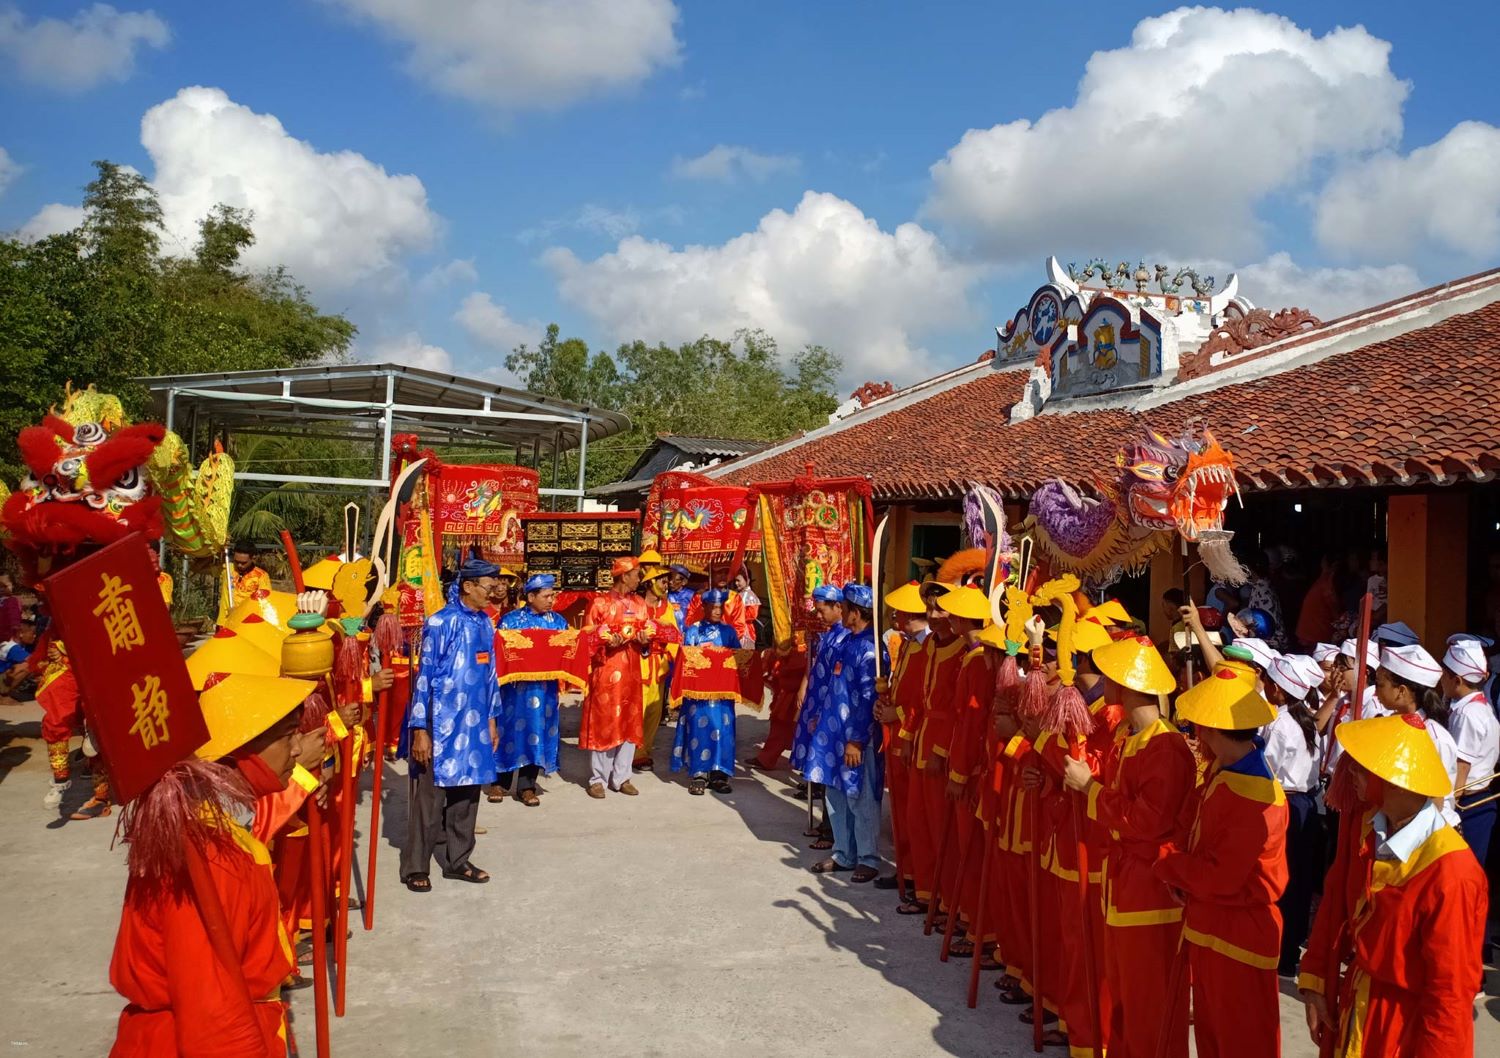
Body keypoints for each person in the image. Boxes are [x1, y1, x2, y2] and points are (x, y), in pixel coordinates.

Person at [109, 673, 315, 1057]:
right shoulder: (209, 856)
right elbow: (211, 1007)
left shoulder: (218, 827)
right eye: (289, 735)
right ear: (241, 750)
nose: (299, 749)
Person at [1298, 714, 1488, 1057]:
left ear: (1398, 782)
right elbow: (1335, 902)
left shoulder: (1454, 874)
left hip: (1404, 1032)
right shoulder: (1365, 827)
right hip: (1356, 1009)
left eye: (1362, 767)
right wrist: (1315, 981)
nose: (1350, 772)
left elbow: (1450, 997)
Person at [1058, 630, 1191, 1058]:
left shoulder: (1166, 748)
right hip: (1123, 883)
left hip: (1150, 891)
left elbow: (1146, 823)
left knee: (1148, 1007)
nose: (1101, 677)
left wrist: (1090, 791)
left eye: (1112, 672)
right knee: (1122, 1000)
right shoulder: (1127, 738)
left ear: (1131, 685)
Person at [1155, 655, 1287, 1058]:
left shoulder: (1253, 794)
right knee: (1214, 1036)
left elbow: (1221, 876)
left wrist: (1168, 864)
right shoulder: (1227, 770)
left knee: (1240, 1040)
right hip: (1215, 924)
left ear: (1212, 728)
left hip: (1238, 931)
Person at [401, 557, 501, 891]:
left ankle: (458, 860)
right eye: (488, 587)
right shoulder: (440, 623)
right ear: (468, 586)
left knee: (468, 795)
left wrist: (491, 720)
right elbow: (424, 676)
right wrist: (420, 729)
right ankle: (416, 866)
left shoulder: (486, 624)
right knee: (429, 800)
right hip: (441, 725)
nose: (493, 593)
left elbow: (490, 676)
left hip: (474, 727)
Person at [807, 584, 884, 882]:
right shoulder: (846, 642)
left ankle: (868, 857)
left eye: (846, 607)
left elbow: (870, 699)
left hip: (856, 739)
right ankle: (844, 853)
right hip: (834, 736)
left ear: (854, 611)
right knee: (836, 795)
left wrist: (856, 740)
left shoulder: (870, 649)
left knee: (860, 796)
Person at [1261, 654, 1325, 978]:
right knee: (1298, 880)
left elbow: (1266, 767)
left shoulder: (1281, 724)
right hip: (1307, 803)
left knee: (1281, 879)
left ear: (1278, 690)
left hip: (1285, 802)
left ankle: (1280, 950)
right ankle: (1290, 951)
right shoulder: (1308, 721)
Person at [580, 556, 663, 799]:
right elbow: (586, 639)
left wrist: (645, 640)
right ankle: (598, 779)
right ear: (624, 575)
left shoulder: (639, 604)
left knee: (629, 722)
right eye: (637, 574)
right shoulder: (600, 604)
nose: (639, 578)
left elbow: (649, 635)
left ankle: (622, 777)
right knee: (604, 722)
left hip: (632, 673)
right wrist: (604, 640)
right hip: (605, 671)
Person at [493, 574, 567, 807]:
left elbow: (568, 651)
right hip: (514, 691)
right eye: (546, 596)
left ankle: (526, 786)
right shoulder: (510, 621)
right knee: (508, 732)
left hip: (544, 691)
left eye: (552, 595)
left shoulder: (558, 622)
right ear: (531, 596)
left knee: (537, 732)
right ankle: (500, 780)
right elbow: (500, 653)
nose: (551, 600)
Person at [1375, 643, 1461, 827]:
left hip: (1429, 830)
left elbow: (1436, 798)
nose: (1375, 692)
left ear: (1401, 691)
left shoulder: (1434, 737)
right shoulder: (1390, 724)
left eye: (1380, 685)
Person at [789, 584, 849, 831]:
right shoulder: (829, 634)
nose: (818, 615)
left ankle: (830, 827)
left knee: (830, 769)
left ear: (838, 607)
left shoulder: (845, 637)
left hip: (831, 711)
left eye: (822, 610)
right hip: (817, 707)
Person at [672, 588, 741, 795]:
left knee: (723, 731)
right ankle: (699, 773)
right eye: (714, 607)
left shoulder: (729, 632)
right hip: (698, 695)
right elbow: (685, 660)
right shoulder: (693, 631)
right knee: (699, 730)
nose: (718, 611)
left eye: (721, 607)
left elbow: (738, 659)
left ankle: (720, 774)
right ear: (705, 607)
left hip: (721, 696)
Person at [1441, 635, 1499, 866]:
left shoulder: (1468, 715)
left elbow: (1460, 770)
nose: (1440, 680)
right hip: (1477, 800)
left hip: (1468, 804)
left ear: (1456, 680)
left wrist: (1448, 815)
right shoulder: (1476, 707)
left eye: (1444, 675)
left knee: (1463, 872)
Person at [633, 565, 679, 773]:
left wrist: (675, 655)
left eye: (666, 580)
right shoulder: (636, 604)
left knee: (654, 710)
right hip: (637, 662)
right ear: (650, 583)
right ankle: (630, 752)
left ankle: (643, 752)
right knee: (636, 709)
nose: (666, 584)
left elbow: (673, 633)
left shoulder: (666, 607)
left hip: (658, 663)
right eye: (662, 580)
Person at [217, 543, 272, 626]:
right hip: (224, 623)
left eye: (243, 563)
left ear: (253, 558)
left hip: (245, 625)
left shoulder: (261, 576)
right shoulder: (227, 569)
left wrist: (239, 611)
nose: (239, 565)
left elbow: (264, 604)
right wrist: (217, 548)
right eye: (237, 561)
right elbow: (197, 567)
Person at [1295, 552, 1341, 649]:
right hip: (1315, 634)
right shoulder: (1326, 581)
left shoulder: (1326, 581)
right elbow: (1335, 612)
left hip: (1313, 633)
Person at [0, 617, 37, 694]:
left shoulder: (22, 645)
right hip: (2, 678)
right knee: (27, 666)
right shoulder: (13, 648)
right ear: (21, 634)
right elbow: (34, 662)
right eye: (32, 633)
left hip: (4, 677)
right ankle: (4, 694)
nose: (34, 636)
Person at [0, 573, 21, 643]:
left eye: (6, 586)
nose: (2, 589)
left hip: (8, 636)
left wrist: (15, 627)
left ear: (12, 585)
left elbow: (14, 615)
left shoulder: (12, 600)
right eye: (0, 587)